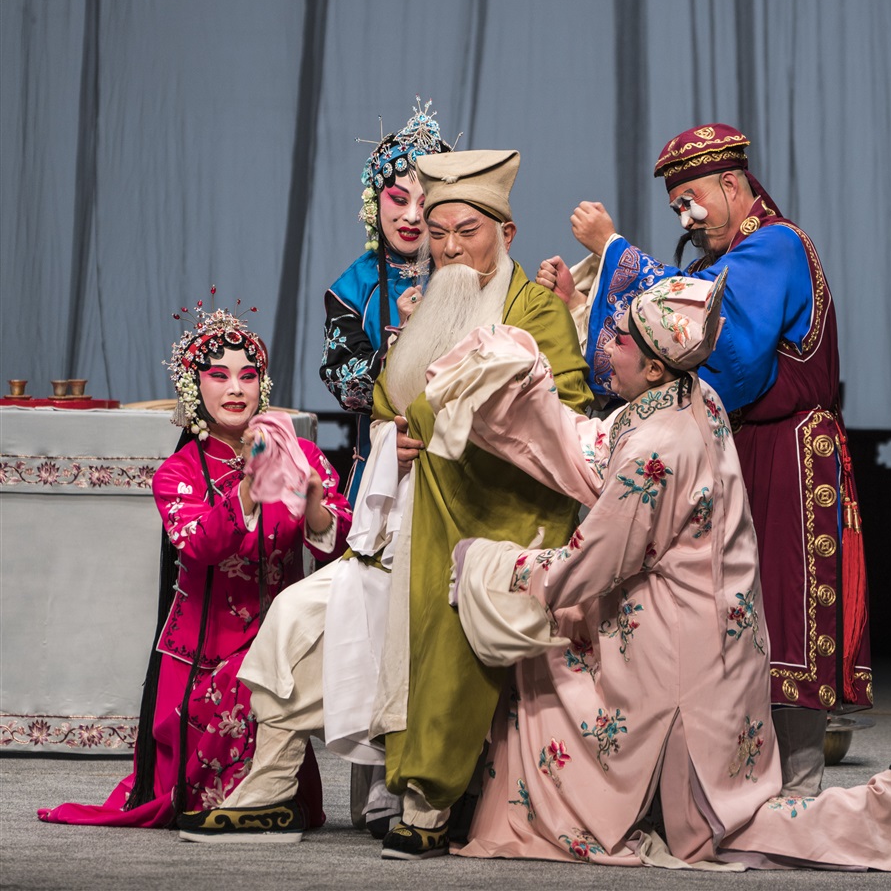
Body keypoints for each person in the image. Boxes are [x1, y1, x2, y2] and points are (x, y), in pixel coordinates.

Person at [430, 277, 891, 871]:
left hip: (679, 662)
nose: (606, 345)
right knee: (720, 818)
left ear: (652, 368)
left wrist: (490, 563)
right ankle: (883, 814)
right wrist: (527, 391)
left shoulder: (658, 447)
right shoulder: (694, 397)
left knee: (716, 830)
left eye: (620, 339)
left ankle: (885, 811)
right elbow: (598, 450)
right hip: (721, 642)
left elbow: (591, 564)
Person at [176, 150, 592, 855]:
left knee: (439, 636)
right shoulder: (430, 306)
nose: (450, 248)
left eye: (467, 232)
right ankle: (270, 792)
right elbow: (383, 405)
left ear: (506, 233)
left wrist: (458, 425)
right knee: (295, 618)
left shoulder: (534, 312)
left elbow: (568, 422)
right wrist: (391, 439)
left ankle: (429, 803)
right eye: (439, 233)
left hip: (479, 526)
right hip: (397, 522)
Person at [537, 124, 870, 797]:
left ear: (731, 184)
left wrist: (614, 251)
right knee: (732, 614)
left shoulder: (775, 245)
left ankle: (797, 794)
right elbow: (669, 331)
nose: (686, 218)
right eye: (676, 208)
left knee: (781, 617)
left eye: (690, 201)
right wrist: (579, 303)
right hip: (742, 450)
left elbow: (721, 344)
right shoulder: (732, 260)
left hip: (786, 454)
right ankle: (743, 791)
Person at [38, 303, 351, 829]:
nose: (236, 389)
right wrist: (249, 488)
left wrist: (315, 503)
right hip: (203, 651)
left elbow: (338, 548)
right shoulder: (178, 472)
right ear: (194, 387)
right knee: (199, 792)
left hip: (283, 635)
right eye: (219, 376)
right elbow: (201, 546)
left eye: (248, 376)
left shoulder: (301, 454)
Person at [320, 98, 451, 504]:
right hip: (380, 467)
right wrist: (401, 342)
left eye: (425, 203)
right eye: (399, 199)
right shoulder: (352, 288)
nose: (412, 216)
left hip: (457, 470)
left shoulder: (467, 275)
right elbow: (344, 384)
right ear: (375, 202)